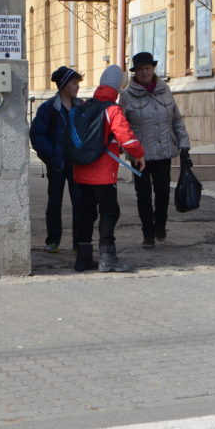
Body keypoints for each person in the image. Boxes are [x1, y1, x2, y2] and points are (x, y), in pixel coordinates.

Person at [73, 65, 146, 273]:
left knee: (85, 214)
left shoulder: (84, 106)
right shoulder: (112, 110)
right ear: (119, 87)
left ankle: (83, 258)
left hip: (81, 169)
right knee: (109, 213)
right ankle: (107, 256)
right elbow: (127, 138)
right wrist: (139, 154)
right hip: (103, 173)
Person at [118, 52, 191, 247]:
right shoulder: (126, 96)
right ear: (135, 72)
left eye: (148, 68)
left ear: (153, 69)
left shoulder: (164, 90)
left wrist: (183, 143)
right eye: (141, 69)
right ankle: (148, 234)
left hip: (164, 150)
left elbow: (176, 119)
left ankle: (160, 225)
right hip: (139, 154)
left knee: (163, 192)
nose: (144, 72)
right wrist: (123, 146)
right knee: (143, 195)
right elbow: (121, 125)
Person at [29, 66, 83, 255]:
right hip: (57, 163)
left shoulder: (81, 106)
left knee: (80, 201)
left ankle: (80, 242)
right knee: (55, 202)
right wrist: (52, 157)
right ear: (63, 85)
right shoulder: (49, 108)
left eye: (77, 83)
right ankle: (53, 241)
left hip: (77, 163)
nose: (77, 86)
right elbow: (37, 135)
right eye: (73, 83)